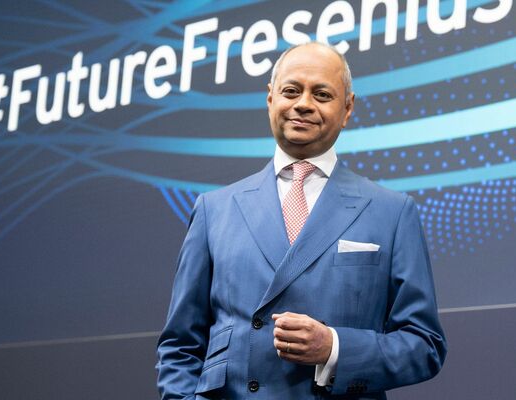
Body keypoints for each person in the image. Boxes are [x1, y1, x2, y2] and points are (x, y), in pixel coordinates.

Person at [156, 42, 446, 399]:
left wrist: (334, 348)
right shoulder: (214, 210)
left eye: (322, 94)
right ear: (270, 98)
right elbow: (180, 345)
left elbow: (424, 345)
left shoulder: (393, 212)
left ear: (348, 108)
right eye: (291, 91)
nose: (304, 104)